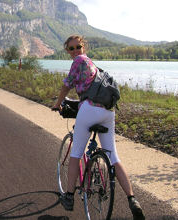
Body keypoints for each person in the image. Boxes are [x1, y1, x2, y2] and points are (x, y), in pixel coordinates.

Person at [52, 35, 145, 220]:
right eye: (72, 48)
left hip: (89, 110)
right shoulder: (94, 66)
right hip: (108, 112)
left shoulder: (78, 61)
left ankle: (69, 196)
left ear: (82, 48)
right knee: (113, 157)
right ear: (67, 51)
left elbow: (66, 86)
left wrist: (57, 103)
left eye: (78, 47)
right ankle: (132, 199)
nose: (75, 51)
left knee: (76, 154)